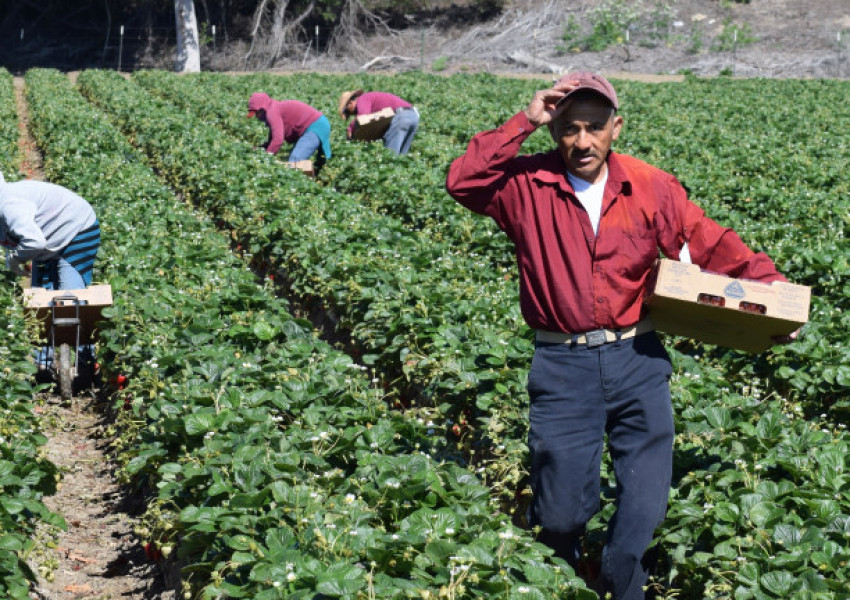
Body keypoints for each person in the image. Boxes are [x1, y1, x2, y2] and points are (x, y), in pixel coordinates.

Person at [445, 72, 794, 599]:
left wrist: (771, 292)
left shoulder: (650, 185)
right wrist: (524, 120)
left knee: (645, 509)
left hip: (638, 357)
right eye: (567, 128)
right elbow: (463, 181)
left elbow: (709, 241)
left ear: (616, 127)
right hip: (563, 365)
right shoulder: (524, 185)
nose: (581, 142)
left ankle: (620, 583)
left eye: (594, 127)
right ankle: (558, 580)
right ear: (553, 130)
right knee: (560, 514)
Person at [1, 174, 100, 290]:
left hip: (77, 229)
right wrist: (18, 255)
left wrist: (16, 258)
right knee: (39, 297)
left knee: (69, 297)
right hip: (49, 237)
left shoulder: (9, 205)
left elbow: (34, 243)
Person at [246, 92, 332, 165]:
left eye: (256, 113)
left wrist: (266, 158)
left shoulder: (272, 113)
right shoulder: (273, 108)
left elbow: (278, 140)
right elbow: (271, 140)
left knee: (295, 160)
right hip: (317, 124)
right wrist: (260, 149)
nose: (257, 117)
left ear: (261, 109)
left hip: (315, 126)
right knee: (317, 164)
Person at [338, 90, 419, 155]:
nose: (351, 114)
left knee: (391, 155)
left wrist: (350, 129)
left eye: (347, 111)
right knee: (402, 156)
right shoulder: (370, 98)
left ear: (350, 103)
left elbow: (362, 117)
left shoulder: (362, 99)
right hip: (413, 116)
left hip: (401, 117)